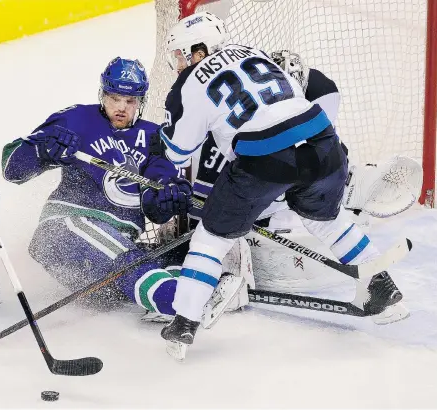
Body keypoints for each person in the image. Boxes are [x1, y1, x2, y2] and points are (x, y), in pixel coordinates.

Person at [158, 11, 408, 360]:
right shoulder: (253, 51)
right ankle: (384, 290)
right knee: (326, 219)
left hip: (264, 158)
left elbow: (177, 153)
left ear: (197, 50)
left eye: (182, 54)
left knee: (210, 238)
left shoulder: (188, 84)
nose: (180, 62)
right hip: (323, 142)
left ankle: (184, 322)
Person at [2, 57, 194, 316]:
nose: (122, 108)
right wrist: (42, 151)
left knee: (167, 260)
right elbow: (11, 169)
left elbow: (155, 206)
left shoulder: (153, 137)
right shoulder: (76, 119)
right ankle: (178, 305)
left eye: (130, 101)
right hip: (64, 229)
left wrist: (167, 197)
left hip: (113, 247)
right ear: (103, 94)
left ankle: (187, 290)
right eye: (115, 98)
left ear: (141, 101)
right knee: (129, 263)